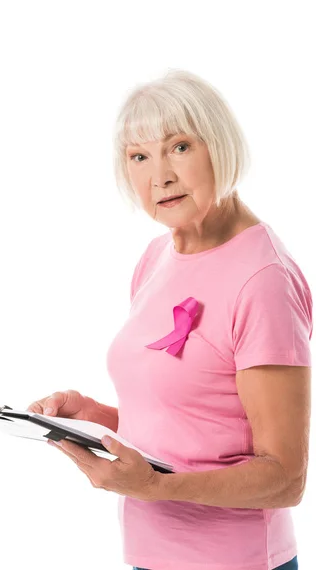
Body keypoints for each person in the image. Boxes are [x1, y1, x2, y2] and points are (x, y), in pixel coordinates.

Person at [28, 69, 312, 570]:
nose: (159, 175)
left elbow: (285, 478)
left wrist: (157, 488)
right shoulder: (157, 258)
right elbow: (184, 430)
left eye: (179, 147)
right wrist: (93, 418)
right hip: (148, 556)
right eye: (139, 157)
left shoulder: (263, 279)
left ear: (219, 146)